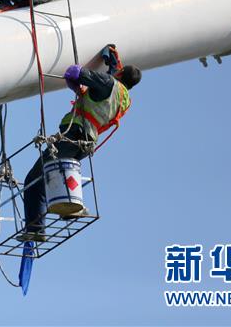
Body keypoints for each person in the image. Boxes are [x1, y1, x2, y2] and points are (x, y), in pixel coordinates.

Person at [21, 45, 142, 240]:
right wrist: (108, 70)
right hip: (86, 143)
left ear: (119, 74)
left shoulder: (108, 83)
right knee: (52, 175)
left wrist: (78, 85)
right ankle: (67, 210)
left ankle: (38, 228)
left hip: (74, 134)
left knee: (34, 180)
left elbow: (73, 72)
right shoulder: (125, 99)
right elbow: (109, 85)